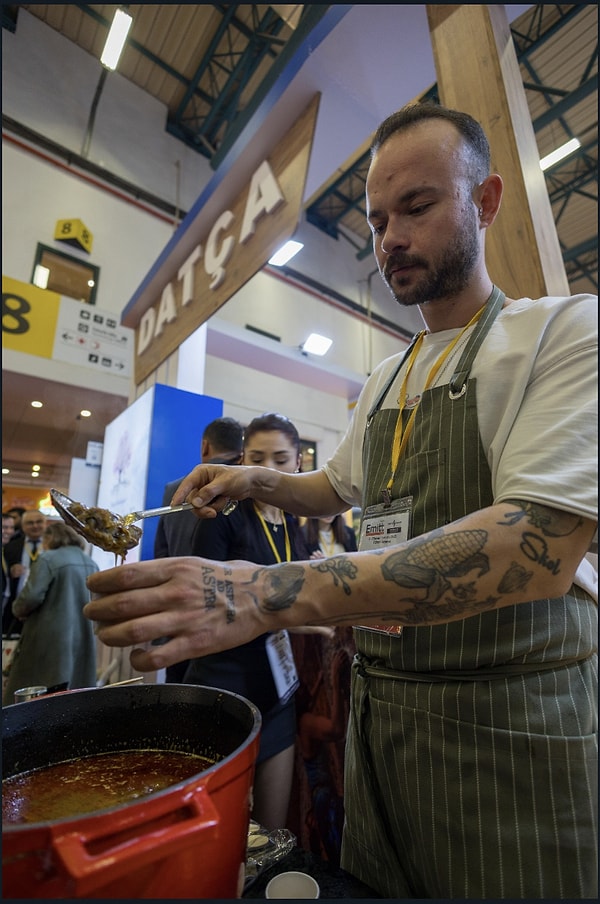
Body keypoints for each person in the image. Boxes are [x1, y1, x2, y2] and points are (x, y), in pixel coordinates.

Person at [85, 103, 598, 899]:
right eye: (378, 218)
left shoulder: (562, 336)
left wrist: (262, 593)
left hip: (511, 734)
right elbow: (336, 488)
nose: (390, 236)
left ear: (487, 200)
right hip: (386, 725)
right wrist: (252, 479)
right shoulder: (386, 380)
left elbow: (536, 544)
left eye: (418, 208)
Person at [183, 412, 308, 830]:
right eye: (256, 458)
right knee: (221, 828)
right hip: (224, 684)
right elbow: (204, 600)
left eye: (279, 458)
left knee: (273, 831)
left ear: (298, 464)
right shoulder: (226, 516)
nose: (267, 470)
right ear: (241, 461)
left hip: (277, 686)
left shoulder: (293, 522)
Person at [154, 416, 243, 682]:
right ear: (242, 451)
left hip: (179, 614)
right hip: (232, 622)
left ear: (205, 446)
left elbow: (162, 554)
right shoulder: (247, 488)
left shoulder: (175, 489)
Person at [3, 521, 99, 705]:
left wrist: (17, 609)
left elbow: (30, 597)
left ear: (51, 538)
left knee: (39, 696)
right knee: (74, 694)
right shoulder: (91, 563)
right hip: (82, 635)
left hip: (48, 636)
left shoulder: (48, 559)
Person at [3, 509, 46, 636]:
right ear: (22, 526)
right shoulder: (11, 546)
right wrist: (10, 572)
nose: (35, 526)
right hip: (14, 609)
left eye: (39, 522)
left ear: (45, 524)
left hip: (44, 609)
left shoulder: (53, 546)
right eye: (30, 523)